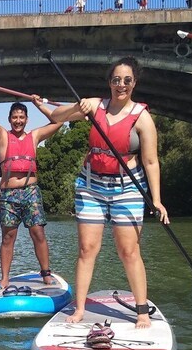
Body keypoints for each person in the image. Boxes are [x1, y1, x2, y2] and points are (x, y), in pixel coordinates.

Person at [48, 57, 169, 328]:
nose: (121, 85)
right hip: (91, 186)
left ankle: (140, 310)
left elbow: (151, 162)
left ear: (134, 83)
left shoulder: (142, 117)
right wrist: (76, 108)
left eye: (127, 80)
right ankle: (79, 309)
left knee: (128, 250)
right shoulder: (96, 105)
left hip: (128, 187)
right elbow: (54, 117)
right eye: (116, 80)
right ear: (109, 83)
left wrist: (157, 200)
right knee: (87, 248)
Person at [0, 78, 63, 289]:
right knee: (8, 237)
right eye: (15, 117)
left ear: (27, 119)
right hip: (9, 195)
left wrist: (40, 105)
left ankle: (46, 273)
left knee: (38, 232)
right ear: (10, 119)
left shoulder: (35, 136)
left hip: (30, 192)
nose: (18, 121)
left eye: (22, 117)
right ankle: (4, 278)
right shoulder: (2, 136)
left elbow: (59, 121)